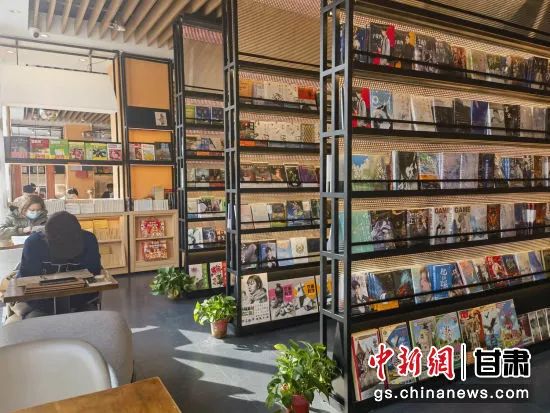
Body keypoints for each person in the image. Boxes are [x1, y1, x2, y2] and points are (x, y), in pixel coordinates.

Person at [15, 211, 101, 319]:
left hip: (80, 302)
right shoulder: (34, 243)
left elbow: (94, 277)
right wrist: (52, 309)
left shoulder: (88, 240)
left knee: (93, 323)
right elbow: (26, 282)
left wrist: (70, 306)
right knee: (34, 325)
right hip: (41, 303)